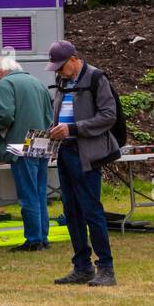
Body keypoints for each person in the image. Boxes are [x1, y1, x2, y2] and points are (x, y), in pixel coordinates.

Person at [45, 40, 119, 287]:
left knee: (91, 210)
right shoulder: (64, 82)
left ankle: (106, 268)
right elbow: (62, 115)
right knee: (71, 212)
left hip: (86, 154)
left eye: (60, 66)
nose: (58, 72)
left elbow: (108, 116)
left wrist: (73, 129)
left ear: (74, 59)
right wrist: (50, 133)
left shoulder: (97, 78)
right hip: (65, 153)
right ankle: (82, 267)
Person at [0, 54, 55, 252]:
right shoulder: (37, 83)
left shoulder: (5, 84)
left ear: (0, 71)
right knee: (40, 193)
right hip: (42, 144)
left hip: (20, 146)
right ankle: (43, 237)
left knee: (28, 195)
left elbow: (6, 114)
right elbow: (49, 115)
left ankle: (34, 240)